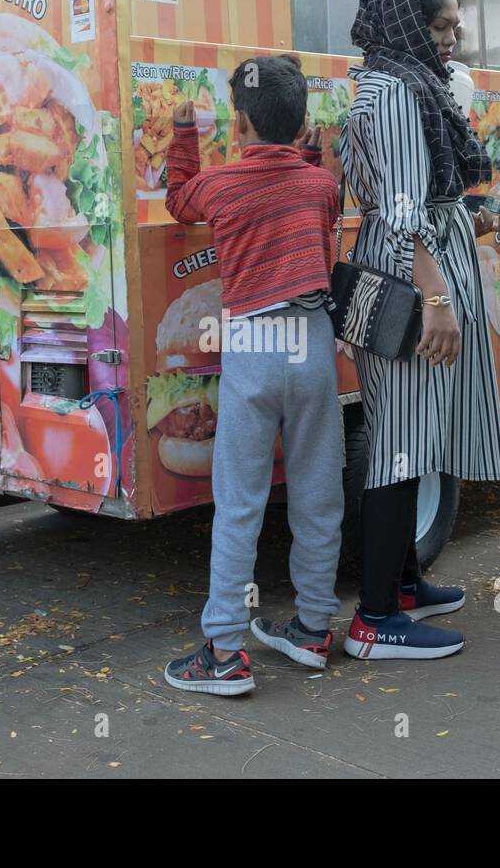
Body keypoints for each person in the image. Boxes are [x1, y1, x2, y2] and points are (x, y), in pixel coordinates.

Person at [340, 0, 500, 661]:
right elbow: (404, 211)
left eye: (454, 27)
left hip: (416, 264)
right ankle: (375, 618)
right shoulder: (392, 93)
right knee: (398, 444)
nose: (450, 38)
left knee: (409, 431)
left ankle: (404, 585)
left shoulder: (403, 85)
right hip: (412, 274)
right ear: (408, 24)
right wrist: (437, 300)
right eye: (439, 26)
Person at [161, 55, 344, 695]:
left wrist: (184, 137)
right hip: (314, 344)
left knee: (239, 502)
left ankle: (225, 654)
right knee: (319, 493)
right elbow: (321, 201)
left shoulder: (220, 184)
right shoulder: (319, 186)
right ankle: (314, 628)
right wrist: (315, 153)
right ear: (299, 128)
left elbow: (178, 200)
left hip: (255, 342)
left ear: (237, 123)